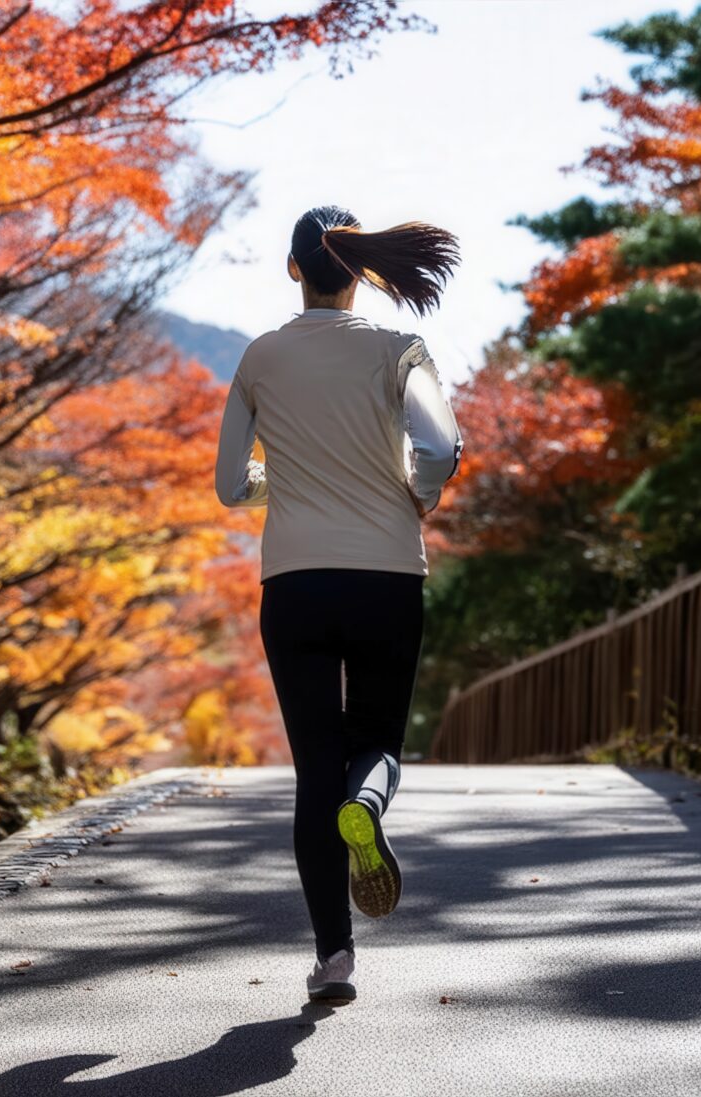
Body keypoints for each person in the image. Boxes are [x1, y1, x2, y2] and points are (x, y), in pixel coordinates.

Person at [213, 205, 463, 1005]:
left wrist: (278, 481)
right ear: (360, 270)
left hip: (294, 583)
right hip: (388, 574)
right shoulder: (399, 350)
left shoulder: (260, 356)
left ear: (295, 269)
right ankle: (369, 802)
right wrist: (413, 497)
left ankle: (333, 959)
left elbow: (228, 484)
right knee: (378, 740)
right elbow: (439, 448)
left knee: (313, 769)